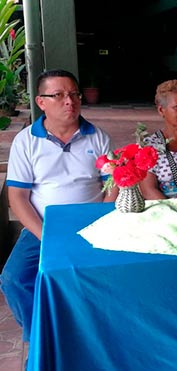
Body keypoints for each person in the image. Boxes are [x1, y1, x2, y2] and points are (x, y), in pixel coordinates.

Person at [0, 69, 115, 343]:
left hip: (91, 223)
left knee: (101, 277)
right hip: (43, 226)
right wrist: (46, 236)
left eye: (74, 94)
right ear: (41, 102)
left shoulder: (97, 137)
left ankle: (93, 337)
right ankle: (40, 337)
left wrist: (101, 219)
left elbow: (113, 184)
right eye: (59, 95)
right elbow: (17, 198)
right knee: (13, 279)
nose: (70, 101)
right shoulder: (26, 141)